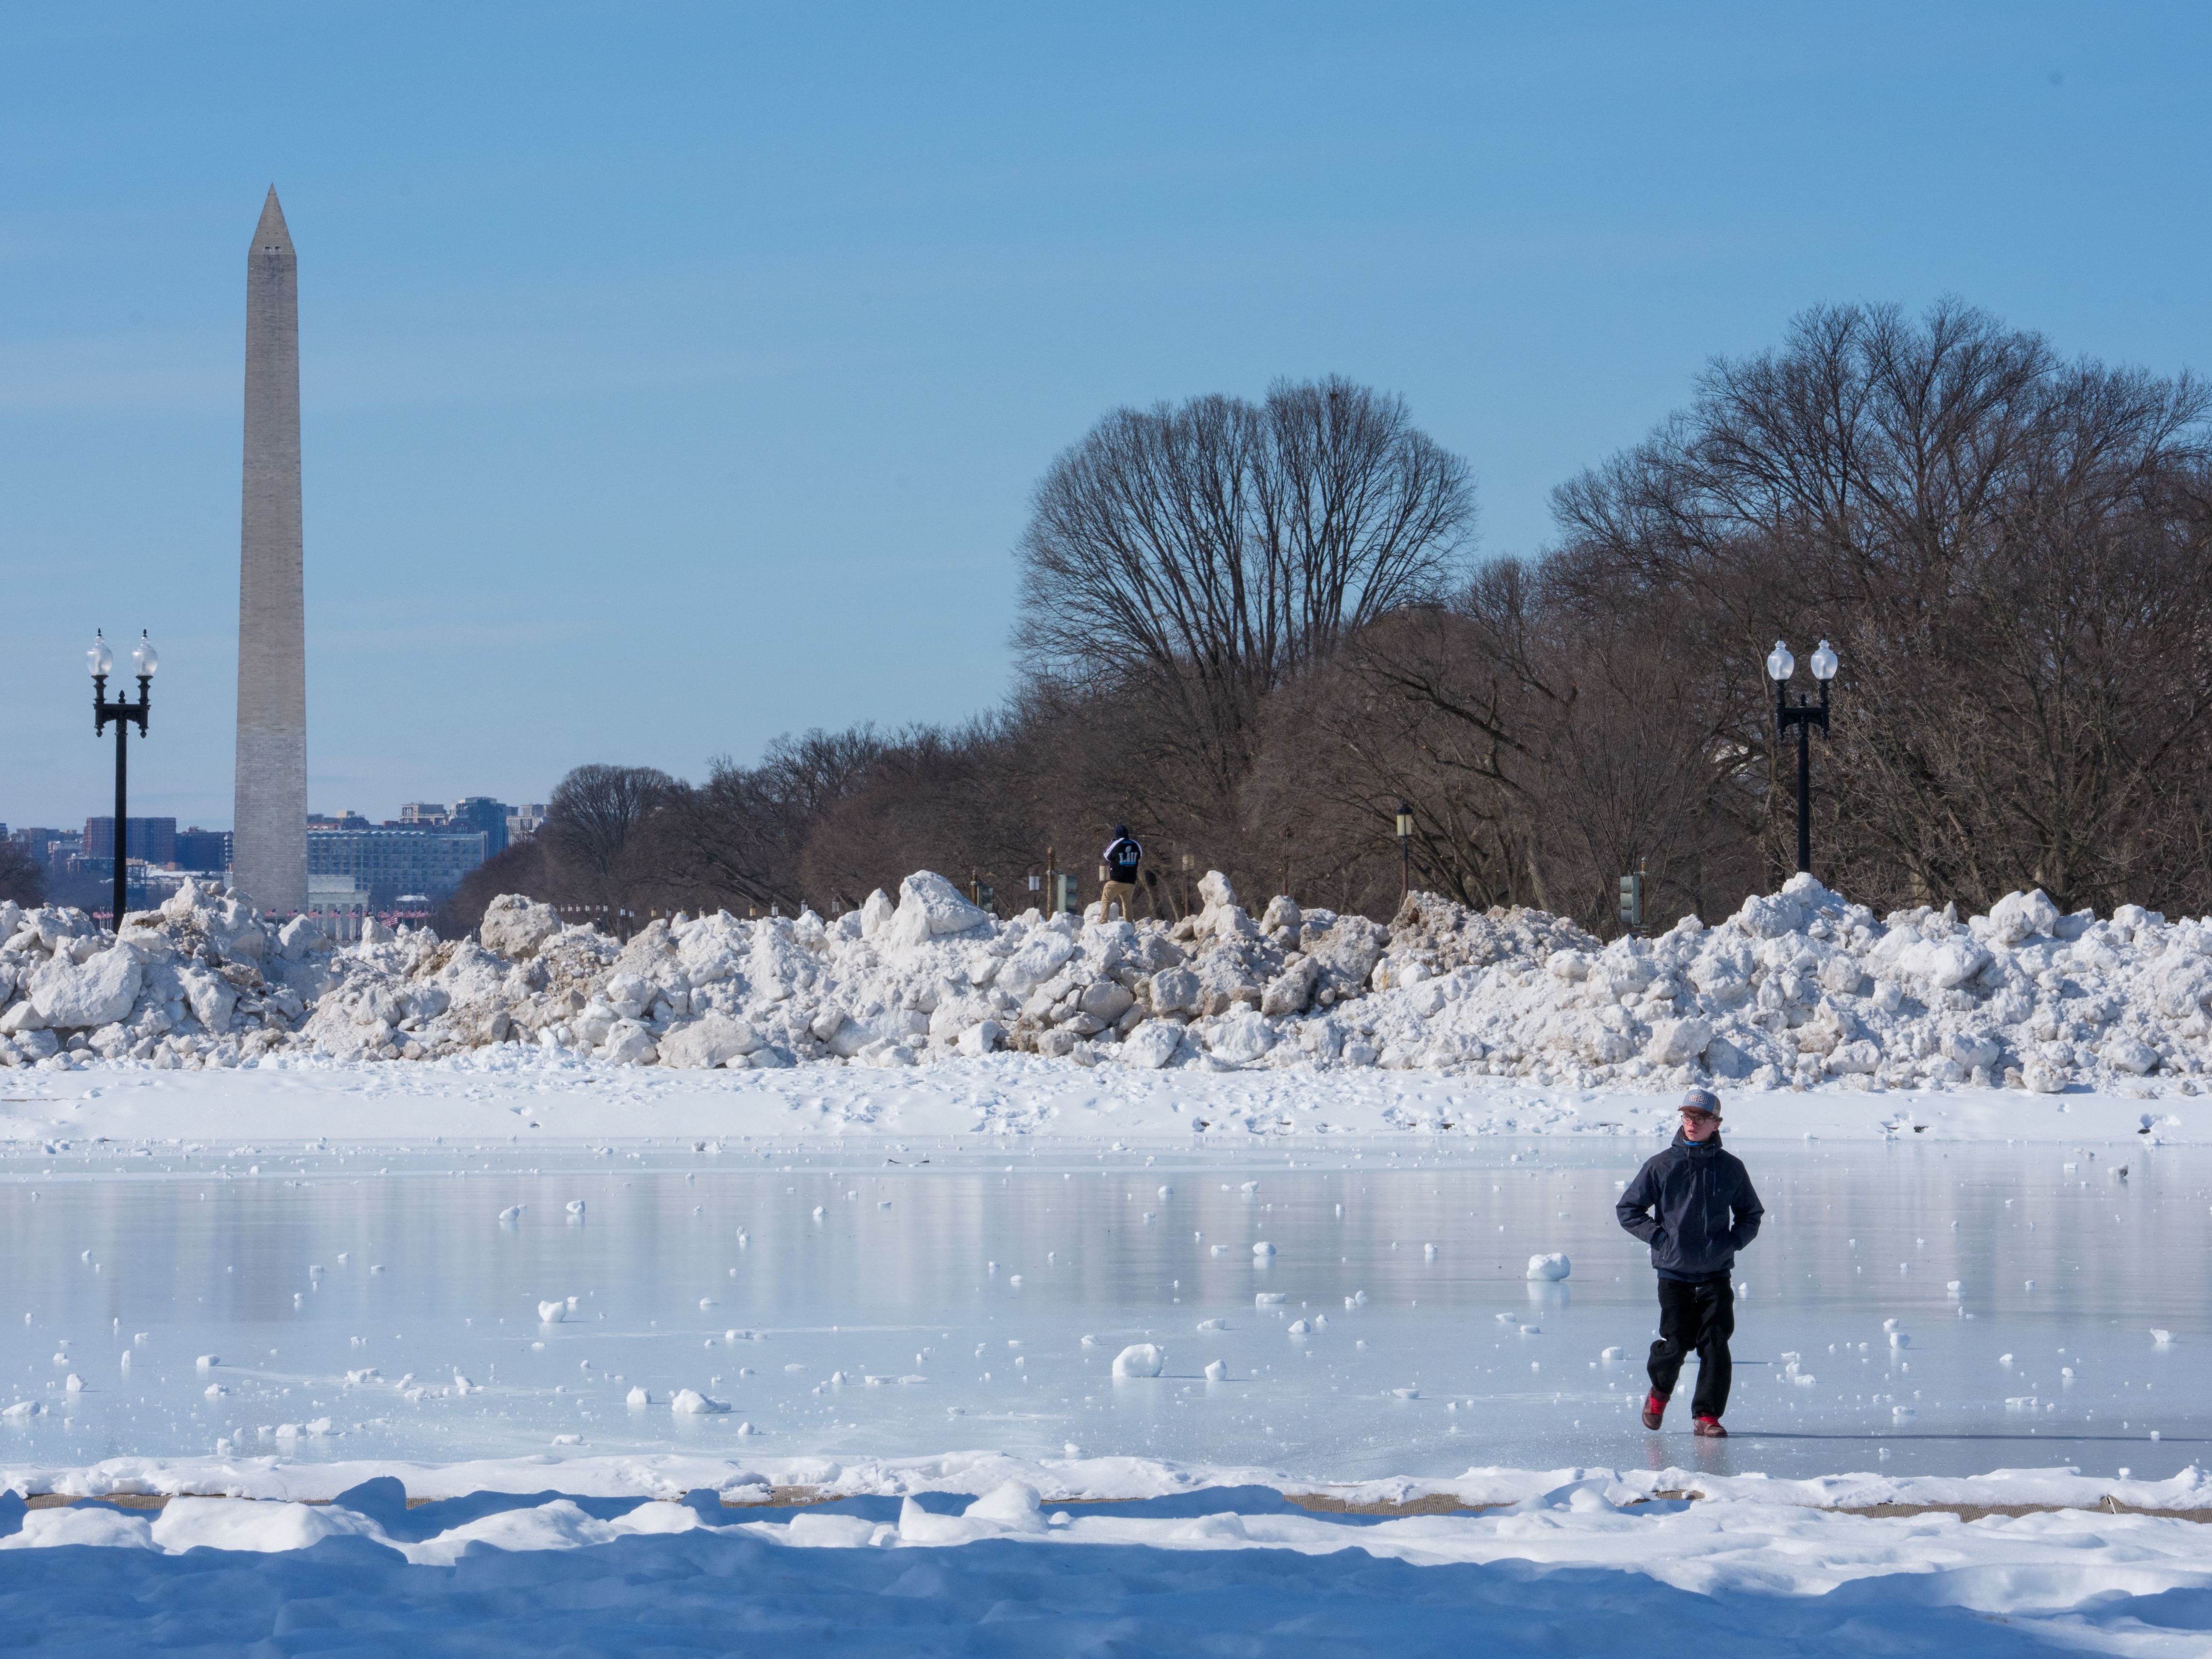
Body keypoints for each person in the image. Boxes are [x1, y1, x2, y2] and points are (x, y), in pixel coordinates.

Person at [1615, 1087, 1764, 1437]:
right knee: (1676, 1341)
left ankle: (1707, 1416)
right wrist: (1660, 1239)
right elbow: (1629, 1210)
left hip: (1715, 1274)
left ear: (1716, 1123)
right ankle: (1660, 1391)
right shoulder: (1662, 1165)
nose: (1691, 1123)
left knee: (1715, 1341)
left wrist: (1731, 1242)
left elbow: (1751, 1214)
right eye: (1686, 1117)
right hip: (1674, 1273)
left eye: (1699, 1118)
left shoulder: (1730, 1168)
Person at [1099, 826, 1143, 922]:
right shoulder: (1136, 844)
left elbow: (1107, 855)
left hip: (1117, 879)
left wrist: (1113, 842)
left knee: (1106, 899)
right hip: (1131, 881)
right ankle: (1129, 924)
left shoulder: (1116, 844)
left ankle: (1103, 922)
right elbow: (1140, 857)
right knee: (1127, 903)